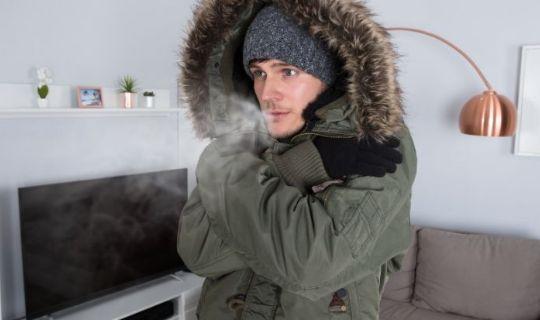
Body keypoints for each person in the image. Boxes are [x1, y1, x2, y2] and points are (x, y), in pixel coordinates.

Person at [177, 1, 417, 319]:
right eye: (258, 73)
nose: (267, 92)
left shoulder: (376, 139)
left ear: (330, 75)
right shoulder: (236, 142)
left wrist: (240, 196)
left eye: (288, 72)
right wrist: (302, 165)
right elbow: (199, 255)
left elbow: (308, 264)